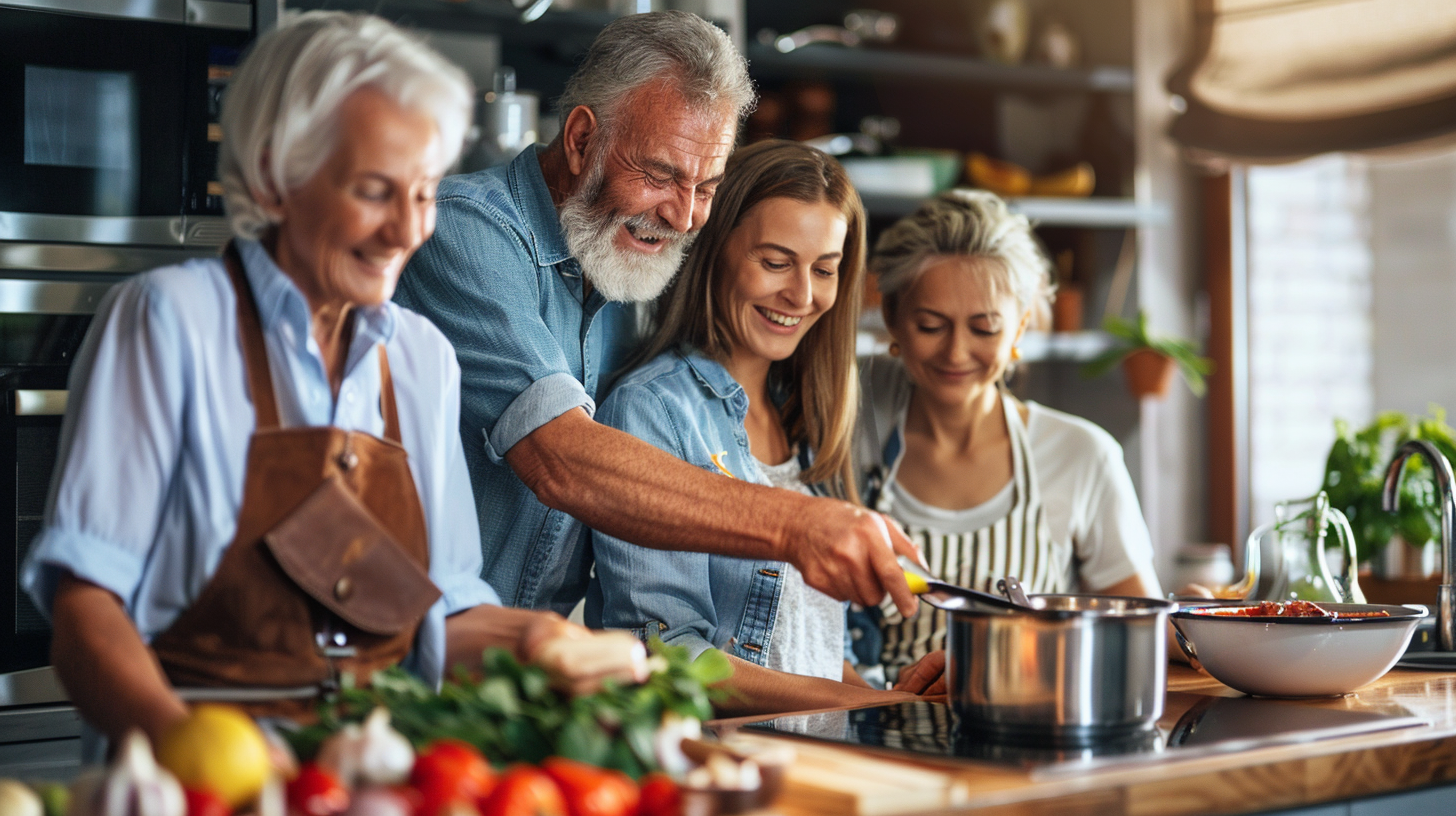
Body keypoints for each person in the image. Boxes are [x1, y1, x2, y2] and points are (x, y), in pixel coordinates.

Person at [20, 12, 644, 746]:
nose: (407, 231)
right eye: (375, 192)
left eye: (423, 193)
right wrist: (195, 753)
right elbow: (88, 611)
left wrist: (536, 640)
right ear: (274, 178)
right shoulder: (170, 320)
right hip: (192, 776)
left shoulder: (419, 357)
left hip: (363, 776)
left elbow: (444, 614)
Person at [394, 11, 921, 621]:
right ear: (581, 140)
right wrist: (795, 524)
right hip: (411, 645)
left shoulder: (631, 261)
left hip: (522, 658)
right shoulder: (464, 230)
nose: (684, 216)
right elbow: (559, 458)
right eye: (660, 176)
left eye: (707, 187)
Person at [588, 141, 912, 715]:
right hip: (715, 760)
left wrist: (898, 700)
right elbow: (669, 657)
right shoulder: (653, 409)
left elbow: (810, 647)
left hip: (811, 760)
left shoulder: (807, 418)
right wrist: (868, 706)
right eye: (775, 262)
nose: (802, 295)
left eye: (825, 270)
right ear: (714, 250)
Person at [853, 190, 1163, 689]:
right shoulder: (849, 439)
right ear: (892, 318)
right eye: (931, 325)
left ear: (1019, 327)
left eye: (985, 328)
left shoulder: (1083, 455)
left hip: (1031, 713)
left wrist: (1196, 624)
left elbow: (1140, 630)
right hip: (880, 720)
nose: (957, 352)